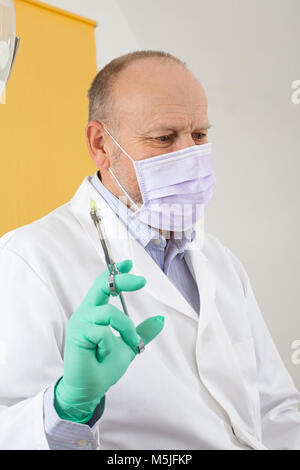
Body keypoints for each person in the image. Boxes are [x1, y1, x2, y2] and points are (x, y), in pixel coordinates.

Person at [0, 50, 299, 450]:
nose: (189, 156)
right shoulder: (30, 258)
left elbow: (274, 409)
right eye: (163, 138)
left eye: (199, 135)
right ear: (101, 144)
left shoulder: (220, 261)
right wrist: (67, 407)